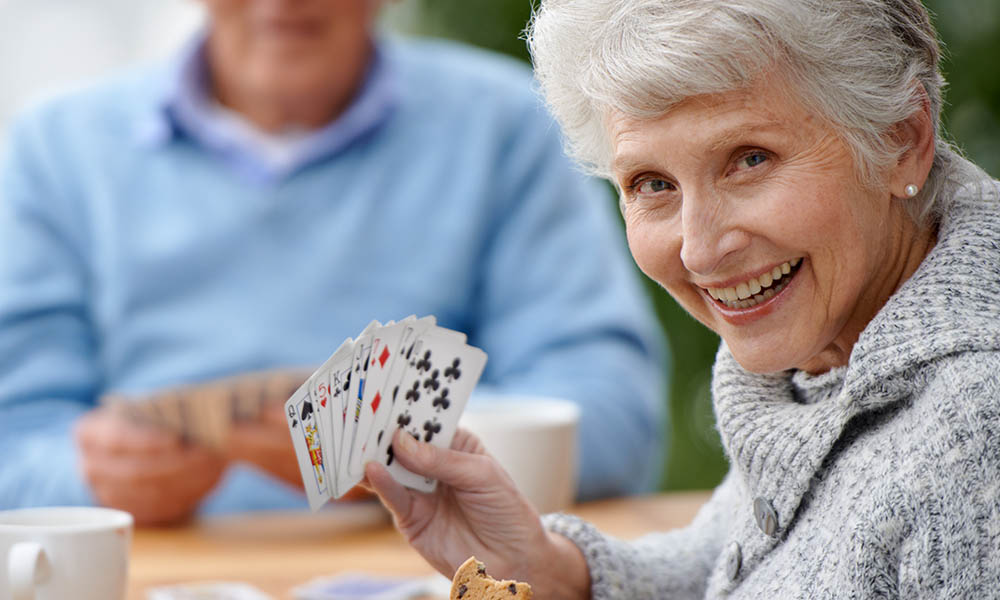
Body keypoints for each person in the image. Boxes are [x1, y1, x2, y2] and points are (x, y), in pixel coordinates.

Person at [362, 0, 1000, 597]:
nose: (699, 251)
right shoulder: (835, 348)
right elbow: (740, 559)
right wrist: (552, 570)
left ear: (901, 140)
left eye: (750, 159)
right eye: (652, 183)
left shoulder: (973, 428)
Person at [0, 0, 668, 525]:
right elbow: (14, 437)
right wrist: (83, 476)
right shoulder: (56, 149)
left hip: (430, 571)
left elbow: (613, 418)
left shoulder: (507, 125)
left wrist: (402, 448)